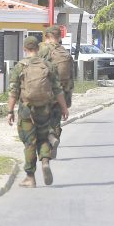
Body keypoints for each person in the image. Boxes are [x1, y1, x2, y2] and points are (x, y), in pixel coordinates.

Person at [7, 36, 69, 188]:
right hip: (45, 109)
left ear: (25, 49)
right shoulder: (48, 65)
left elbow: (13, 92)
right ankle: (45, 162)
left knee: (29, 143)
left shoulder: (20, 66)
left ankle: (30, 177)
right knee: (43, 138)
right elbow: (57, 89)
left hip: (26, 110)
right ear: (38, 48)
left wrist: (10, 111)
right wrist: (64, 108)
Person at [38, 25, 74, 157]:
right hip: (63, 93)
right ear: (59, 37)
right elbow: (71, 76)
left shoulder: (43, 50)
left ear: (47, 37)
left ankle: (50, 139)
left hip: (46, 91)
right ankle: (54, 140)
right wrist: (67, 99)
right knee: (56, 119)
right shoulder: (65, 52)